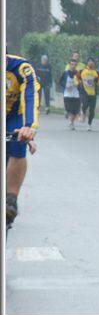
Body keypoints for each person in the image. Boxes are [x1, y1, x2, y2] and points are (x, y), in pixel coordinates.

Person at [6, 54, 40, 226]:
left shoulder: (22, 68)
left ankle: (11, 198)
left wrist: (29, 127)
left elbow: (30, 95)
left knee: (18, 143)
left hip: (13, 116)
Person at [77, 57, 99, 131]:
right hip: (84, 91)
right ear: (87, 62)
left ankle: (89, 124)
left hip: (93, 93)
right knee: (85, 104)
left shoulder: (97, 72)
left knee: (92, 110)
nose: (91, 63)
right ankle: (83, 112)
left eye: (92, 62)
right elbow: (76, 78)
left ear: (94, 63)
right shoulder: (82, 71)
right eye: (89, 61)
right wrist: (78, 84)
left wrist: (97, 82)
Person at [59, 59, 82, 130]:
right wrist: (65, 85)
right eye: (72, 64)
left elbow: (81, 82)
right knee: (70, 109)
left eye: (75, 65)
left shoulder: (78, 73)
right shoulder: (65, 73)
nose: (73, 66)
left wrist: (78, 85)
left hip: (76, 94)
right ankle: (70, 119)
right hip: (67, 94)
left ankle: (71, 122)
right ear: (69, 65)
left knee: (75, 111)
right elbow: (60, 82)